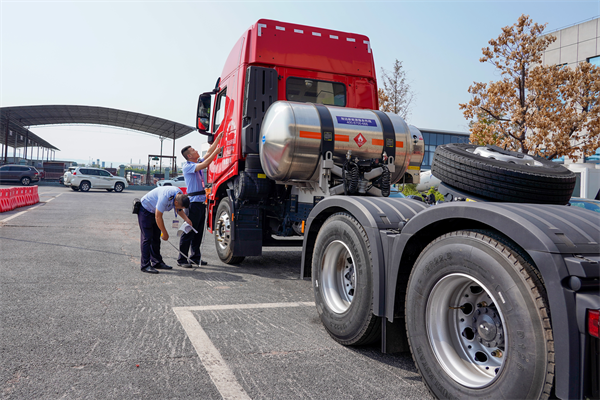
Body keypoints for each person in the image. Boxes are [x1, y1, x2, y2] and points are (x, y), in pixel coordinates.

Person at [178, 133, 223, 267]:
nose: (196, 151)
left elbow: (208, 153)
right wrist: (218, 151)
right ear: (189, 156)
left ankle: (195, 257)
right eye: (193, 150)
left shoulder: (195, 161)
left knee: (198, 233)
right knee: (189, 231)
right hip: (193, 204)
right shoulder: (188, 166)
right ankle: (182, 259)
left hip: (200, 203)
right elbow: (206, 163)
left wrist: (217, 140)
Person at [138, 186, 193, 274]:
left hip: (154, 211)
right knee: (147, 238)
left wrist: (187, 219)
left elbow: (178, 209)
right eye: (180, 207)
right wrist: (165, 232)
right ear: (175, 202)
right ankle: (145, 265)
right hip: (145, 210)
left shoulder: (179, 194)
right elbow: (158, 216)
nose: (180, 209)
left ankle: (157, 262)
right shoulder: (165, 197)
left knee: (156, 238)